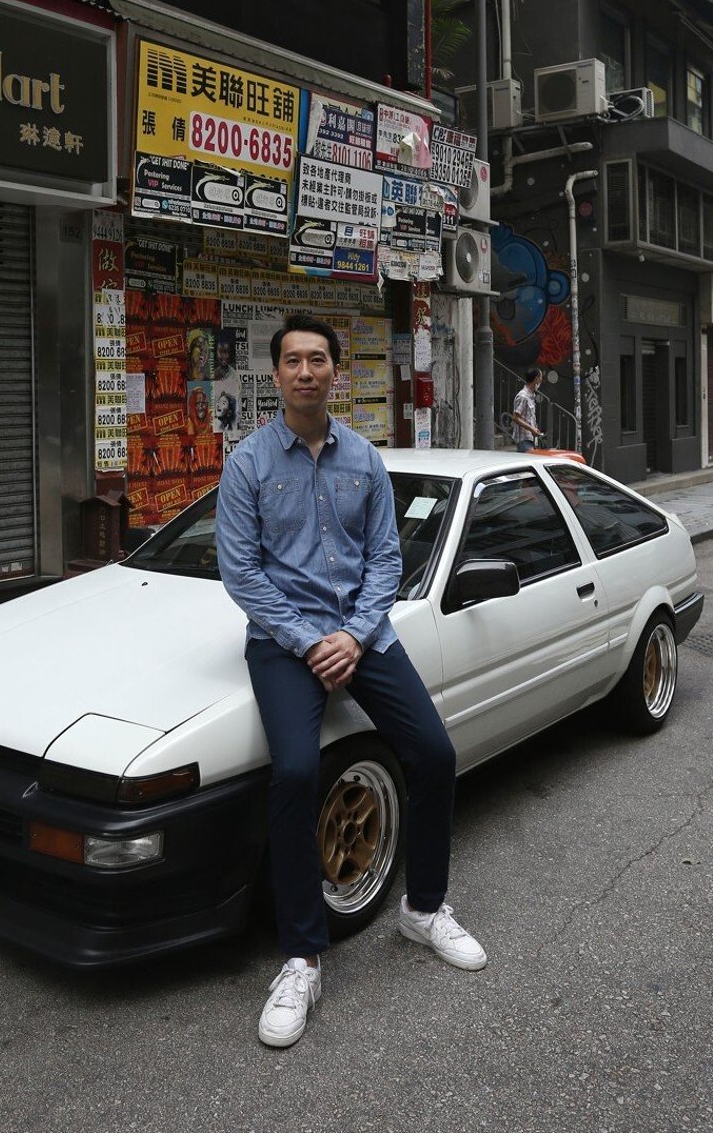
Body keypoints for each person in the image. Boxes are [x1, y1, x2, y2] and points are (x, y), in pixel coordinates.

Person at [216, 314, 486, 1050]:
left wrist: (353, 634)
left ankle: (424, 909)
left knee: (433, 754)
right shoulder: (246, 465)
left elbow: (385, 564)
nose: (307, 372)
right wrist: (312, 641)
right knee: (297, 774)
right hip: (283, 642)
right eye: (293, 361)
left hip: (362, 635)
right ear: (275, 377)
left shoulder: (365, 460)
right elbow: (240, 573)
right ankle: (301, 956)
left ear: (337, 373)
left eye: (318, 360)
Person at [511, 367, 544, 452]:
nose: (541, 381)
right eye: (540, 378)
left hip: (529, 438)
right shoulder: (523, 396)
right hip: (523, 439)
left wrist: (534, 428)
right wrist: (531, 429)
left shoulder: (531, 395)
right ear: (536, 379)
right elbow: (515, 417)